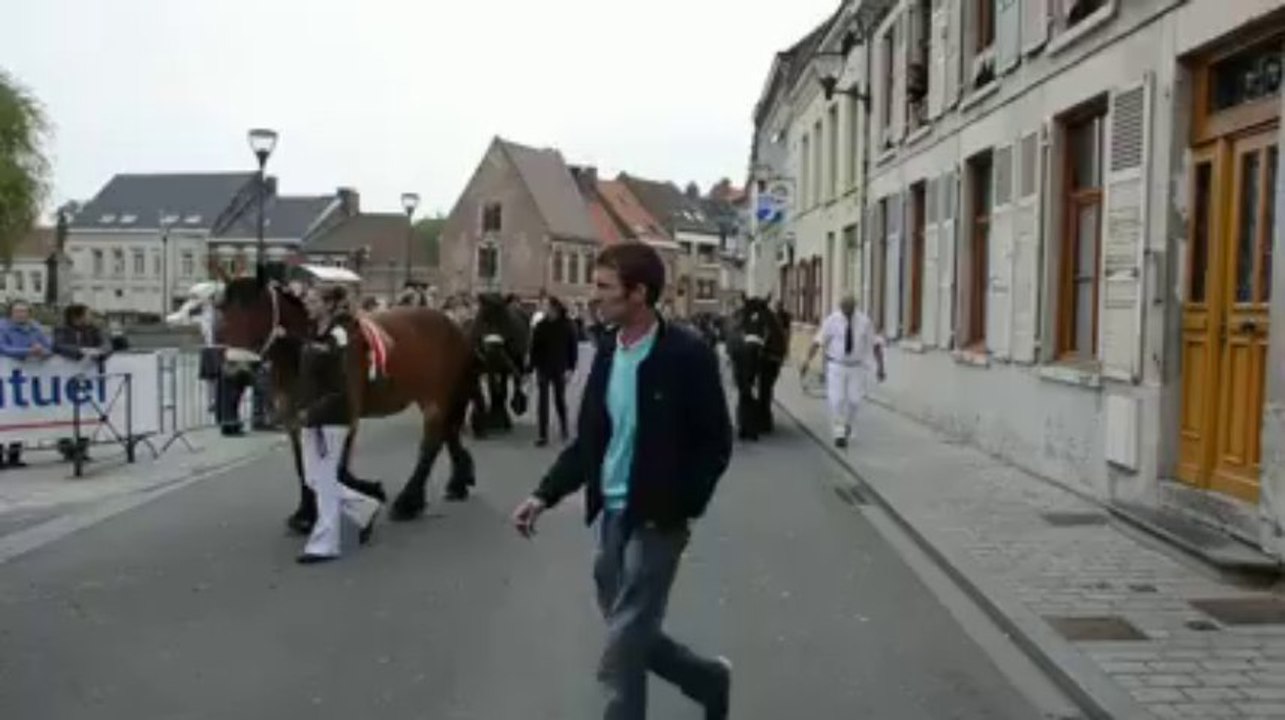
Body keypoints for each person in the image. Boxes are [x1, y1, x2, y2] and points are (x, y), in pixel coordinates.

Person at [511, 243, 734, 720]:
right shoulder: (610, 352)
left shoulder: (686, 354)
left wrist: (683, 503)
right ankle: (708, 680)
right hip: (611, 513)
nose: (595, 297)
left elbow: (716, 442)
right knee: (628, 626)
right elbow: (590, 440)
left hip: (659, 517)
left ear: (638, 293)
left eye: (604, 287)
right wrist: (542, 495)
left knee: (626, 632)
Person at [295, 284, 383, 565]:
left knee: (322, 478)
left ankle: (325, 543)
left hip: (331, 417)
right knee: (314, 478)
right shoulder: (312, 333)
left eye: (312, 300)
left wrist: (316, 411)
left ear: (329, 304)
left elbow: (341, 384)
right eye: (307, 300)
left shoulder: (339, 335)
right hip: (311, 415)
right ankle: (365, 507)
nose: (307, 304)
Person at [799, 294, 886, 449]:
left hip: (856, 366)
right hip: (836, 365)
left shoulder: (864, 321)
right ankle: (839, 433)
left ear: (854, 307)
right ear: (840, 307)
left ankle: (848, 425)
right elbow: (818, 341)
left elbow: (875, 344)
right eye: (844, 309)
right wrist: (807, 361)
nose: (847, 313)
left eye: (849, 310)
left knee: (854, 400)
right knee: (837, 400)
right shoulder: (832, 320)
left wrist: (880, 367)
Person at [53, 304, 111, 462]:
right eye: (87, 314)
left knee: (87, 412)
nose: (90, 317)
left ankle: (82, 449)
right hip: (65, 378)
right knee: (64, 413)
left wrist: (99, 352)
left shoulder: (94, 329)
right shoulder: (61, 330)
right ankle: (66, 447)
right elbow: (57, 345)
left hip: (88, 378)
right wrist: (79, 351)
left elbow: (106, 345)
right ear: (76, 317)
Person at [0, 301, 53, 469]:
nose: (21, 314)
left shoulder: (36, 328)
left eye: (24, 311)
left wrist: (42, 351)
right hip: (7, 378)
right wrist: (28, 351)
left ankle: (15, 455)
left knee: (21, 415)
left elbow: (49, 347)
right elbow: (4, 349)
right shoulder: (2, 327)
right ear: (11, 313)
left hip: (28, 378)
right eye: (17, 311)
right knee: (4, 416)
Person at [529, 295, 578, 447]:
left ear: (554, 308)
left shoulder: (567, 325)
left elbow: (573, 348)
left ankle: (564, 427)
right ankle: (542, 435)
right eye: (542, 305)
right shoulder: (541, 326)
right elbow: (534, 349)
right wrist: (530, 368)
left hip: (560, 367)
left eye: (546, 305)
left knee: (559, 399)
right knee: (542, 401)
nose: (543, 308)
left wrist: (571, 368)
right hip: (543, 367)